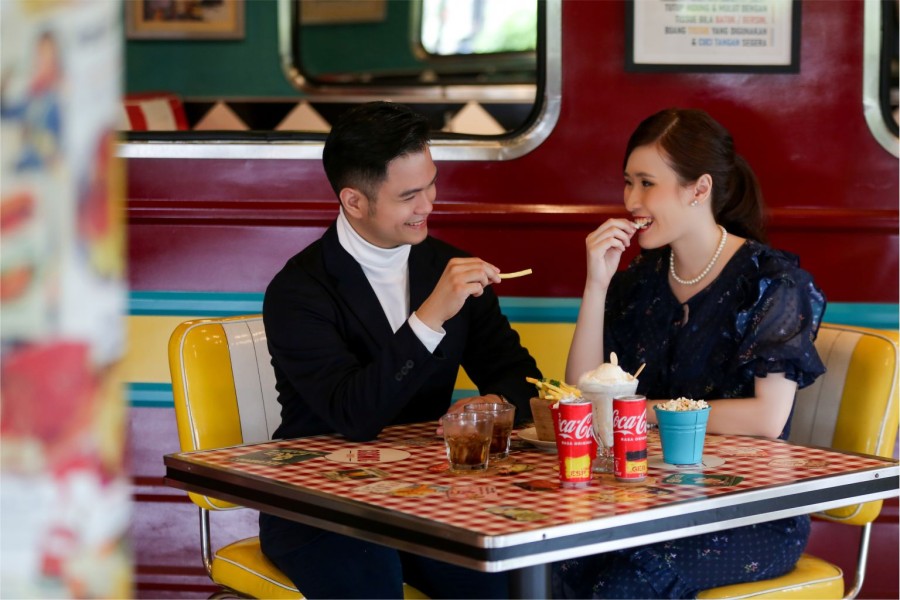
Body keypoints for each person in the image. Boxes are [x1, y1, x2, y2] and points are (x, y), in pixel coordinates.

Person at [260, 101, 542, 599]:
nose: (428, 205)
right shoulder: (298, 290)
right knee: (373, 581)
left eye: (431, 184)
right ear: (354, 201)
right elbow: (354, 416)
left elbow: (523, 379)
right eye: (409, 195)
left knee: (511, 581)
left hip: (425, 495)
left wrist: (495, 403)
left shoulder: (450, 266)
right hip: (318, 502)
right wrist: (429, 317)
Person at [555, 108, 826, 599]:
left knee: (626, 578)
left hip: (751, 510)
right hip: (652, 499)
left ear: (699, 189)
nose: (631, 201)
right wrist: (597, 284)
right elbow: (584, 396)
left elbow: (767, 418)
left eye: (646, 184)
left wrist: (638, 412)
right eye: (627, 183)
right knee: (554, 565)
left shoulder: (773, 282)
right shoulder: (639, 282)